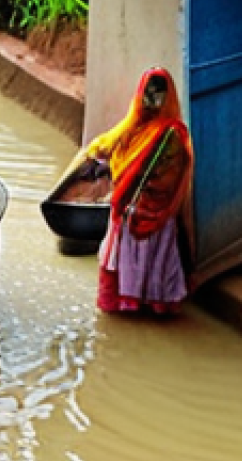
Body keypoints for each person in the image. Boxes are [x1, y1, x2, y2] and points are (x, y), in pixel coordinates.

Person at [59, 67, 193, 315]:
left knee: (146, 262)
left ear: (168, 97)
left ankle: (147, 306)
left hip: (150, 214)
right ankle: (131, 307)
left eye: (158, 94)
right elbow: (104, 148)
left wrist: (136, 185)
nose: (152, 101)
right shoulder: (131, 126)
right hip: (127, 212)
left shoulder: (172, 135)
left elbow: (169, 178)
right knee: (126, 263)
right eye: (148, 94)